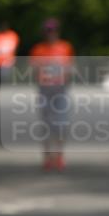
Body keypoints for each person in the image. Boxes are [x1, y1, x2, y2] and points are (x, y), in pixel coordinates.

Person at [29, 18, 75, 172]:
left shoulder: (65, 47)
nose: (51, 34)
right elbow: (34, 70)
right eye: (48, 31)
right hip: (45, 90)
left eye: (53, 30)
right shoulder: (38, 49)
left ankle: (59, 155)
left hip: (60, 90)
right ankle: (47, 157)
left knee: (61, 124)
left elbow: (70, 68)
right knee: (46, 125)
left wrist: (63, 77)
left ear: (58, 31)